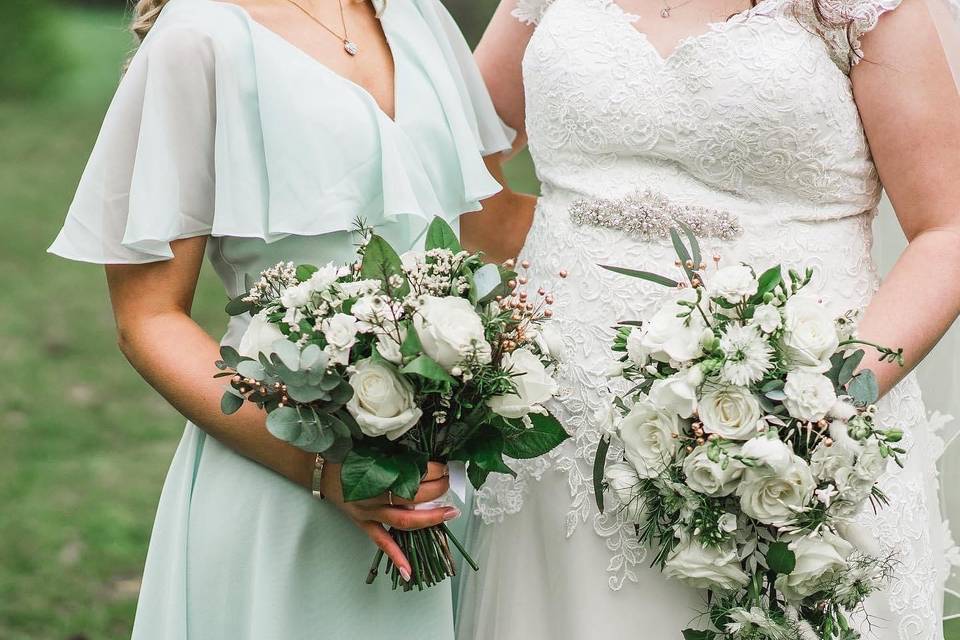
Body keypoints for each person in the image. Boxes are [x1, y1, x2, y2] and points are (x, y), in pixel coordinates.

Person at [457, 0, 960, 638]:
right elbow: (455, 145)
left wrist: (831, 402)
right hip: (558, 435)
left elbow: (946, 231)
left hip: (795, 439)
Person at [48, 0, 529, 637]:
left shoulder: (416, 16)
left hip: (444, 482)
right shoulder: (197, 38)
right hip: (282, 476)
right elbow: (148, 317)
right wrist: (324, 472)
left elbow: (487, 234)